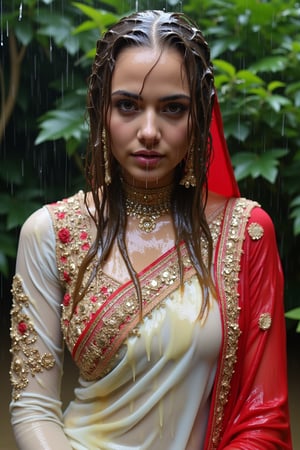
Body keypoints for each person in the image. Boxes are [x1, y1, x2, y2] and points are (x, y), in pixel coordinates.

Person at [9, 10, 292, 450]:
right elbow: (33, 408)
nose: (148, 131)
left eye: (172, 109)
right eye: (127, 105)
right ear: (101, 111)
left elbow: (262, 417)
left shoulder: (246, 234)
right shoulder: (50, 232)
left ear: (199, 116)